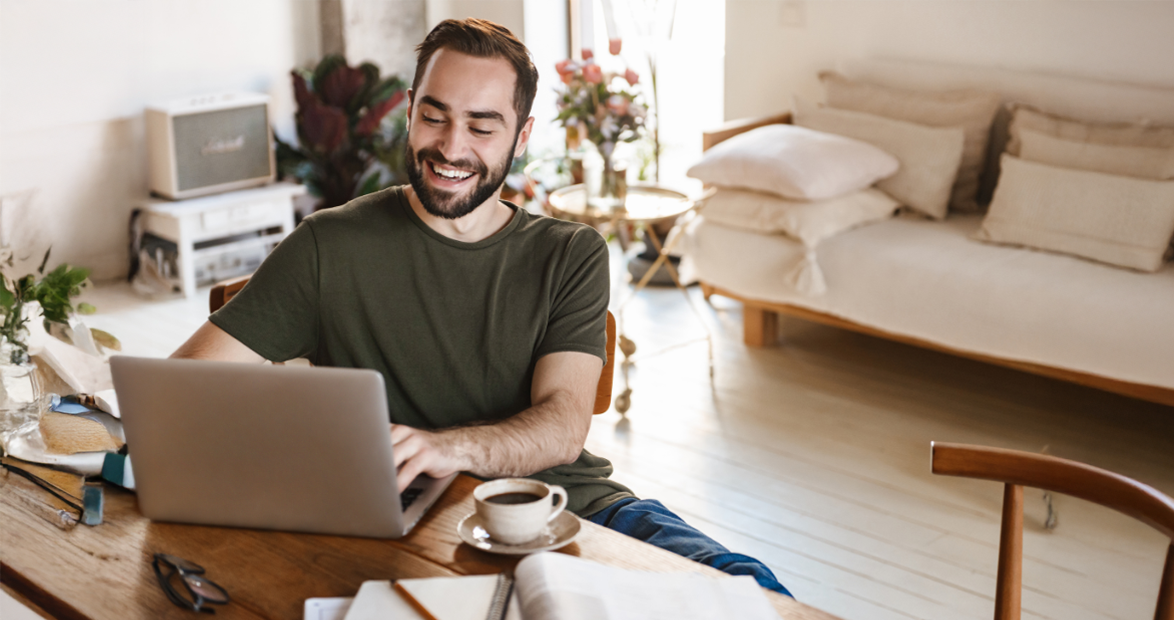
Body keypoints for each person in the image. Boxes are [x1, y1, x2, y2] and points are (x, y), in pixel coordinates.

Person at [172, 17, 791, 597]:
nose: (451, 147)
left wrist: (450, 449)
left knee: (752, 590)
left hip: (571, 509)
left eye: (482, 126)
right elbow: (184, 390)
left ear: (521, 138)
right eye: (434, 116)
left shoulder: (570, 253)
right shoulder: (327, 244)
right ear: (410, 111)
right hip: (407, 526)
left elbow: (563, 426)